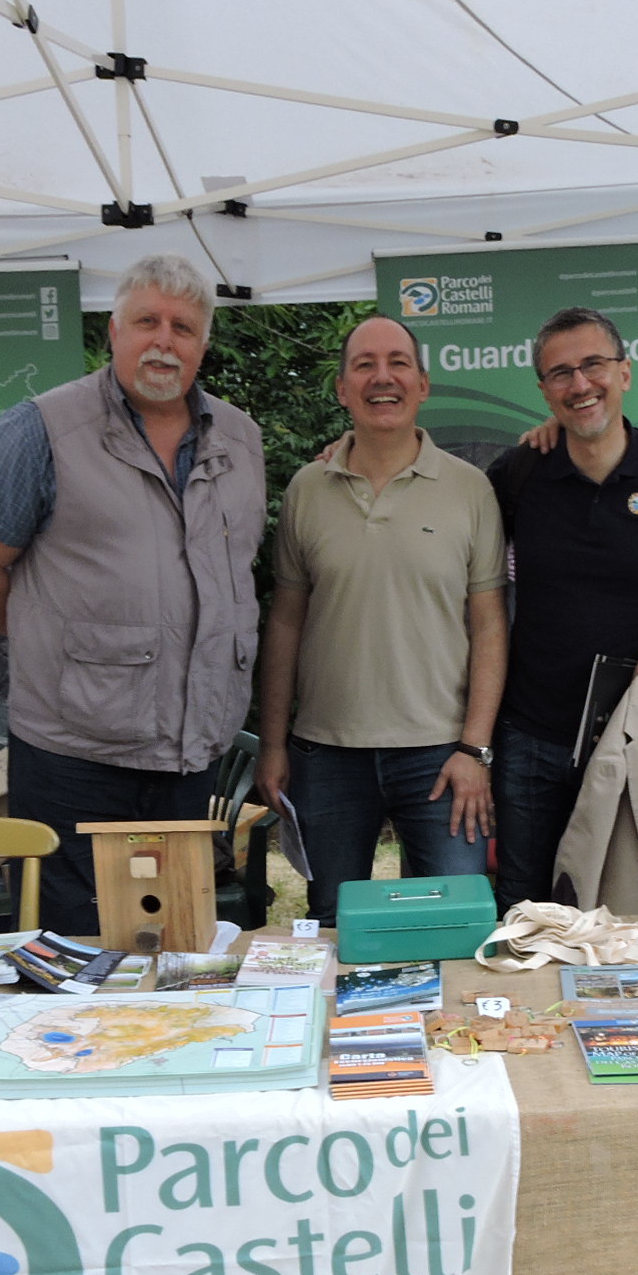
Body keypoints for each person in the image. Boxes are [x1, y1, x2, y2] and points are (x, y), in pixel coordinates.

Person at [0, 253, 266, 936]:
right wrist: (55, 649)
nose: (163, 340)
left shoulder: (241, 440)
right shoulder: (38, 432)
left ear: (202, 346)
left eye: (183, 327)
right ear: (113, 332)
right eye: (146, 320)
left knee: (173, 947)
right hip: (73, 758)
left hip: (188, 752)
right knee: (75, 955)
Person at [252, 316, 506, 923]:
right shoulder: (306, 489)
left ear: (423, 383)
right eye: (364, 364)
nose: (381, 377)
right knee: (334, 929)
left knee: (450, 926)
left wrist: (477, 748)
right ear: (342, 388)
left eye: (397, 363)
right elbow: (285, 622)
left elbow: (490, 626)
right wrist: (273, 742)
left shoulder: (471, 490)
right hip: (326, 754)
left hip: (441, 755)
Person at [486, 305, 638, 909]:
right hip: (533, 737)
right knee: (527, 911)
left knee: (634, 907)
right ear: (544, 391)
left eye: (593, 364)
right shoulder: (515, 475)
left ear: (624, 372)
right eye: (560, 373)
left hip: (636, 734)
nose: (580, 384)